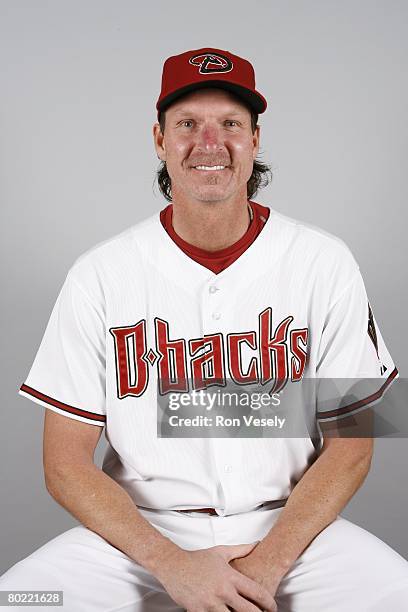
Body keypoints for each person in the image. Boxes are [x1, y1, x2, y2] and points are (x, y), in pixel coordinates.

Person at [1, 46, 407, 612]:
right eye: (188, 123)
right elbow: (64, 465)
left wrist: (268, 564)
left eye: (231, 124)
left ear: (256, 139)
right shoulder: (100, 273)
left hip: (293, 531)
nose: (209, 142)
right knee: (20, 600)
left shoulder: (324, 260)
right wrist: (173, 566)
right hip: (140, 537)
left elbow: (355, 443)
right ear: (159, 139)